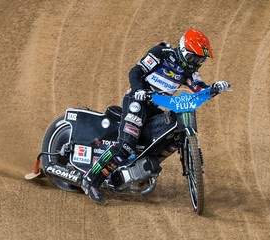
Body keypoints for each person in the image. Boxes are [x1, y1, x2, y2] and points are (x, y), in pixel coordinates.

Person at [81, 29, 230, 203]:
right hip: (137, 102)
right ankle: (90, 180)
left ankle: (140, 171)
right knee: (126, 146)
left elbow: (199, 89)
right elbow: (135, 71)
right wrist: (138, 90)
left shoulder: (189, 72)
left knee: (172, 136)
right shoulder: (161, 53)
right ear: (183, 51)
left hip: (154, 107)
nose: (196, 63)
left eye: (200, 60)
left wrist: (215, 88)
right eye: (194, 58)